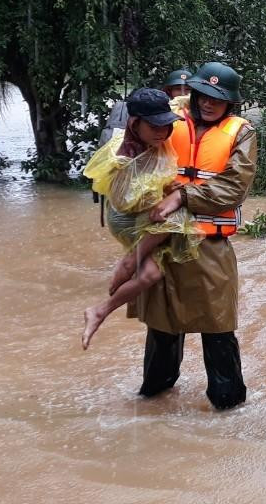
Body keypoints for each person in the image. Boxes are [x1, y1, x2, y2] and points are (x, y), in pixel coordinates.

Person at [132, 62, 257, 410]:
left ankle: (228, 405)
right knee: (161, 326)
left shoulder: (241, 133)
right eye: (204, 95)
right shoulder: (168, 120)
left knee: (217, 328)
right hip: (165, 240)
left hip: (209, 246)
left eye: (218, 99)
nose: (209, 104)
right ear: (194, 92)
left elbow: (233, 187)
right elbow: (133, 151)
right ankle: (152, 400)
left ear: (230, 102)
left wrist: (181, 196)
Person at [81, 88, 200, 350]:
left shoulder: (151, 142)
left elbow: (179, 102)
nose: (162, 132)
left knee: (150, 275)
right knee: (179, 211)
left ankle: (99, 311)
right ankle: (127, 262)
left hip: (143, 217)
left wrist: (192, 97)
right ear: (135, 124)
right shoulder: (125, 158)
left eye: (167, 125)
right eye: (154, 126)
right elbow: (127, 203)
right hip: (127, 219)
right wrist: (170, 194)